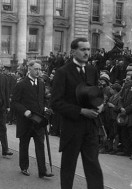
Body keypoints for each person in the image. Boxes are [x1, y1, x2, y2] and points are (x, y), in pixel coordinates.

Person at [50, 37, 104, 189]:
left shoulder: (93, 70)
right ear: (73, 52)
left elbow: (96, 94)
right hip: (72, 128)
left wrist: (100, 105)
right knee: (68, 167)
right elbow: (55, 103)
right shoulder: (63, 72)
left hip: (91, 128)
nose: (87, 52)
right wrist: (81, 111)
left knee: (93, 166)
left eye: (88, 49)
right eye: (83, 49)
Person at [12, 60, 54, 178]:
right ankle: (24, 167)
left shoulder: (41, 83)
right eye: (36, 69)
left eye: (40, 69)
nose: (38, 71)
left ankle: (43, 171)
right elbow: (14, 102)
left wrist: (45, 108)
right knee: (24, 145)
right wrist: (24, 110)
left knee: (40, 145)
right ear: (29, 69)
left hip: (38, 122)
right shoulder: (21, 84)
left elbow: (42, 100)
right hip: (25, 122)